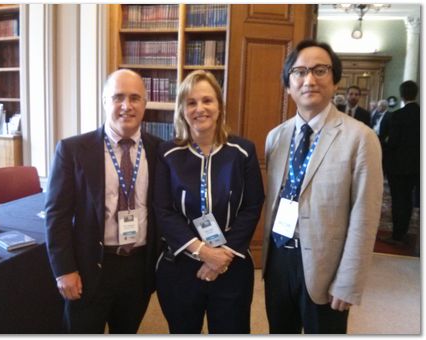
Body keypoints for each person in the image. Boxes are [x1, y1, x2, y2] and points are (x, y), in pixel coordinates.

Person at [261, 40, 383, 334]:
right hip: (278, 259)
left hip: (326, 267)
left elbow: (365, 217)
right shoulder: (275, 138)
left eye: (320, 70)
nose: (309, 80)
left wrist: (348, 281)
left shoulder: (360, 138)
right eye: (300, 72)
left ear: (334, 79)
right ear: (288, 84)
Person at [45, 69, 161, 333]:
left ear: (145, 104)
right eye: (118, 97)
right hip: (89, 268)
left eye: (135, 98)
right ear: (104, 101)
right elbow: (57, 216)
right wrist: (64, 270)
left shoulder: (159, 150)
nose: (126, 106)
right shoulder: (73, 150)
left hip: (138, 269)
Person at [153, 70, 265, 334]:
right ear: (181, 109)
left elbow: (252, 205)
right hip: (180, 265)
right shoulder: (167, 153)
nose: (199, 108)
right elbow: (163, 210)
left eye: (207, 100)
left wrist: (221, 257)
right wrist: (204, 253)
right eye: (191, 102)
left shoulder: (243, 151)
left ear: (219, 106)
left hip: (231, 264)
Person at [381, 80, 420, 245]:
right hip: (416, 165)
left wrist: (382, 149)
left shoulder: (397, 115)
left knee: (398, 200)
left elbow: (393, 142)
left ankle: (397, 235)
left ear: (402, 95)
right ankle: (403, 232)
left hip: (397, 166)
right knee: (408, 200)